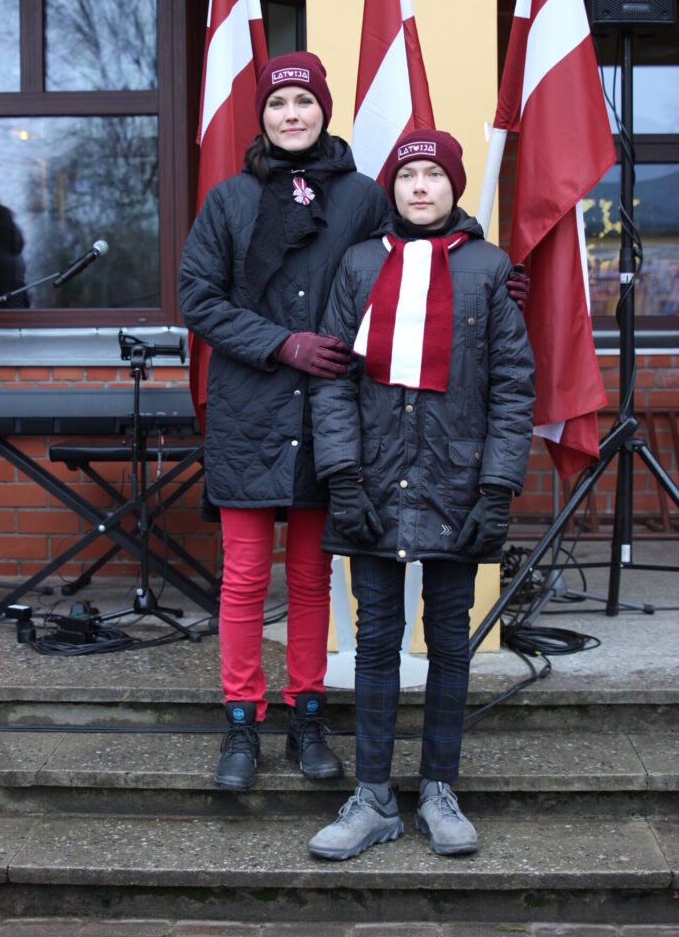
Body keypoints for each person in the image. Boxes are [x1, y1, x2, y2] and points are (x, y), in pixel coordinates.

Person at [307, 129, 535, 860]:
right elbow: (332, 380)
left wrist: (496, 488)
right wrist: (342, 477)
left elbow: (512, 389)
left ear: (453, 186)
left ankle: (438, 789)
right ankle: (372, 797)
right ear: (393, 189)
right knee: (375, 640)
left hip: (457, 486)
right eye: (408, 175)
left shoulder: (488, 269)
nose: (420, 187)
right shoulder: (359, 264)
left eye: (434, 174)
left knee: (448, 640)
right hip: (372, 483)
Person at [178, 52, 391, 792]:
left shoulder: (363, 197)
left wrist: (485, 275)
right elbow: (197, 298)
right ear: (262, 116)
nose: (291, 114)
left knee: (309, 576)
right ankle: (242, 720)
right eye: (277, 103)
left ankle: (307, 715)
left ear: (323, 109)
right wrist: (280, 342)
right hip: (249, 411)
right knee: (243, 577)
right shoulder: (230, 199)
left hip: (330, 415)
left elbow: (410, 263)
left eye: (303, 101)